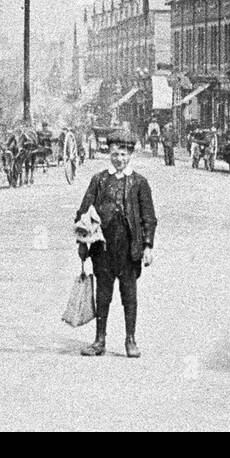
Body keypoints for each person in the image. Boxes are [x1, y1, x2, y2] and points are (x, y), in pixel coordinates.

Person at [73, 131, 157, 358]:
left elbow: (148, 218)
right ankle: (99, 340)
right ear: (109, 153)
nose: (118, 159)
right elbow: (82, 211)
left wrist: (147, 246)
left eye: (123, 154)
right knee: (103, 294)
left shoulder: (139, 183)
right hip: (103, 248)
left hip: (130, 249)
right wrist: (84, 231)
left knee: (129, 295)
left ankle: (130, 340)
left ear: (130, 155)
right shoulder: (99, 180)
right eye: (114, 154)